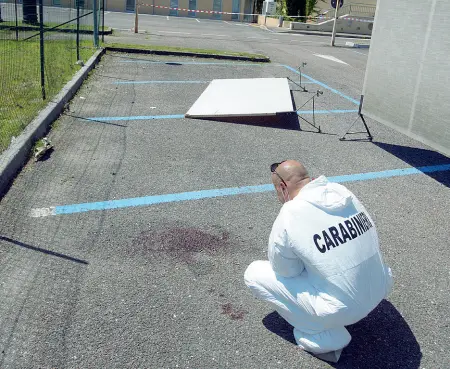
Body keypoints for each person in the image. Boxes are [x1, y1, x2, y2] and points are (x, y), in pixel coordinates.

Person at [244, 160, 393, 363]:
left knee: (254, 274)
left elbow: (285, 271)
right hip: (380, 287)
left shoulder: (291, 213)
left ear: (282, 187)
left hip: (342, 308)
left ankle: (325, 338)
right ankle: (348, 306)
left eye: (276, 190)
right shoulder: (341, 191)